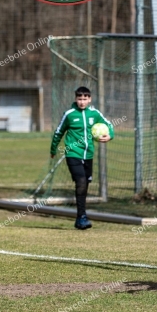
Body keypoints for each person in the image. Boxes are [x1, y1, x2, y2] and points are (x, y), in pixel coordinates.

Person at [50, 87, 114, 230]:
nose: (82, 102)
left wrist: (110, 135)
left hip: (88, 155)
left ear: (90, 99)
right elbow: (58, 132)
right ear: (75, 99)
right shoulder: (70, 114)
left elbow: (109, 125)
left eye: (85, 99)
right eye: (79, 99)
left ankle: (80, 217)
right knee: (81, 182)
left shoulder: (95, 113)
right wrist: (53, 149)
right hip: (72, 153)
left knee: (84, 185)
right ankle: (82, 217)